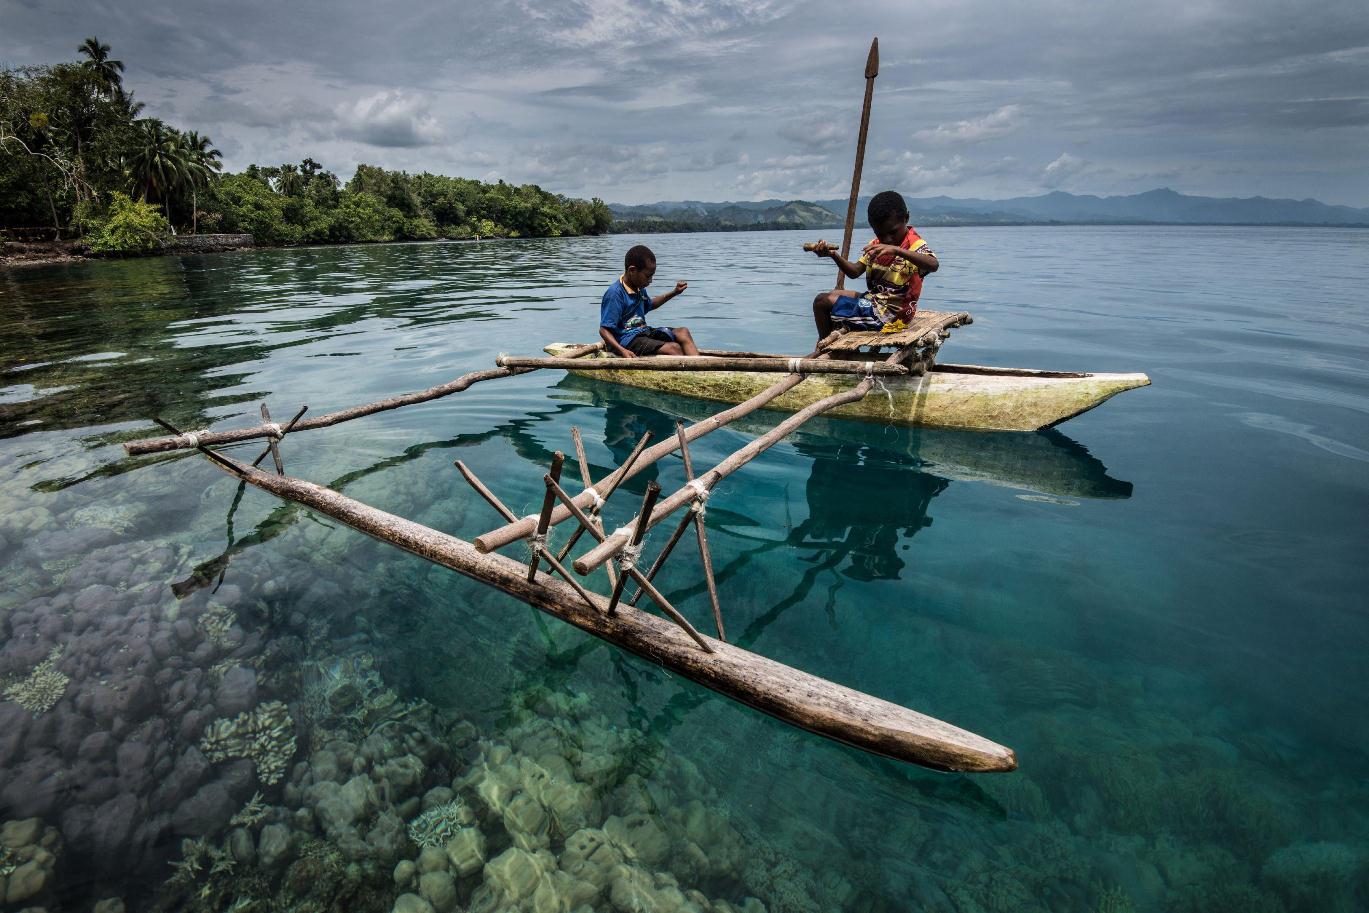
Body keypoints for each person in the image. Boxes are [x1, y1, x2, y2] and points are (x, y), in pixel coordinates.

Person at [808, 191, 939, 338]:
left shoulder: (915, 245)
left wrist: (897, 250)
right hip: (875, 301)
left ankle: (821, 348)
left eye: (893, 232)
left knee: (821, 302)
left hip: (890, 315)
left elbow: (933, 264)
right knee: (834, 294)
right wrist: (833, 255)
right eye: (881, 234)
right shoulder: (876, 245)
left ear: (906, 218)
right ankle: (827, 343)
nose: (887, 239)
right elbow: (855, 271)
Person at [599, 245, 700, 357]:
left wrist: (674, 292)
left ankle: (701, 369)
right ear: (632, 270)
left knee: (683, 332)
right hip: (626, 341)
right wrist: (622, 350)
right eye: (647, 276)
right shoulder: (615, 293)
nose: (650, 281)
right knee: (674, 348)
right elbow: (604, 330)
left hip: (643, 333)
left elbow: (650, 305)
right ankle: (689, 371)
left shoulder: (639, 288)